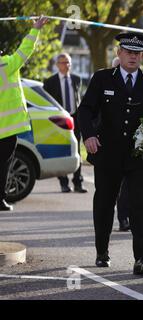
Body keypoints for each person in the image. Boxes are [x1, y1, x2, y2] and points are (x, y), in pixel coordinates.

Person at [78, 32, 143, 275]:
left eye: (137, 53)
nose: (133, 57)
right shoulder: (102, 78)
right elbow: (85, 110)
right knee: (104, 203)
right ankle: (102, 251)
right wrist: (89, 135)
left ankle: (141, 258)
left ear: (142, 56)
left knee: (140, 205)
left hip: (140, 156)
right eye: (129, 52)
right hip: (108, 154)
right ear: (119, 53)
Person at [0, 16, 48, 211]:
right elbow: (25, 49)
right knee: (3, 166)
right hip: (7, 129)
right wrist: (36, 28)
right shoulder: (6, 64)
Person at [43, 53, 87, 193]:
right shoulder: (50, 82)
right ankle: (63, 183)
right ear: (57, 65)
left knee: (77, 151)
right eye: (63, 62)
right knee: (62, 150)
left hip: (75, 119)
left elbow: (77, 98)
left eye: (68, 62)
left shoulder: (76, 79)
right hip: (59, 121)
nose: (66, 65)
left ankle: (78, 182)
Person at [111, 56, 130, 232]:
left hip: (134, 148)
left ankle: (128, 216)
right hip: (112, 149)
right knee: (118, 187)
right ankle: (122, 218)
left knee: (130, 187)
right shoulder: (105, 85)